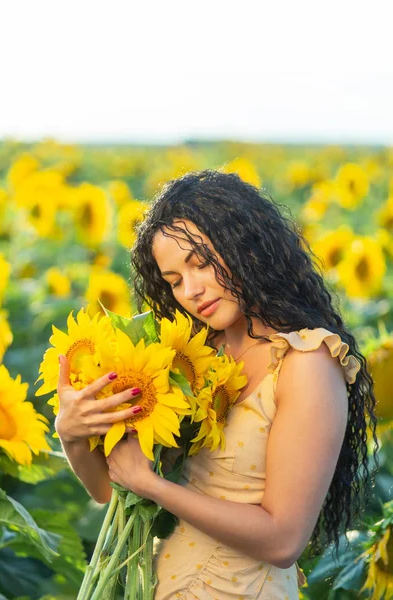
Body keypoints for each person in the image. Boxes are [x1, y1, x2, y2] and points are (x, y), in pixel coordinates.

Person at [56, 170, 378, 599]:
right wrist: (72, 433)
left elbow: (284, 540)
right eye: (173, 281)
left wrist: (152, 486)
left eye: (202, 262)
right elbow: (107, 488)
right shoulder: (194, 354)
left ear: (246, 245)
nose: (191, 290)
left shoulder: (307, 363)